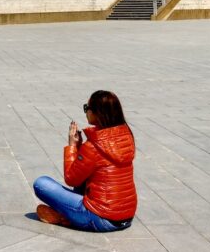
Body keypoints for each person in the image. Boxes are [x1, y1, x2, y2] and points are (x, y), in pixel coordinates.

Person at [33, 90, 136, 232]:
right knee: (87, 177)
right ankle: (69, 216)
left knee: (41, 184)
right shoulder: (127, 137)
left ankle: (66, 217)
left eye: (87, 108)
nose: (86, 112)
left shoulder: (94, 146)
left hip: (100, 218)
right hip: (126, 217)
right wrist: (82, 149)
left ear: (97, 113)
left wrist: (72, 146)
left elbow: (71, 179)